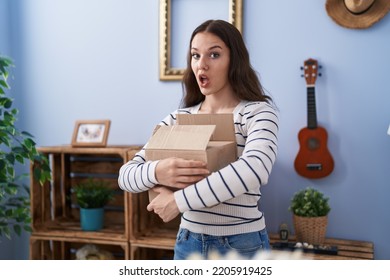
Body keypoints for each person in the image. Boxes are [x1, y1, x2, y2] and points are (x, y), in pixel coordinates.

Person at [118, 19, 279, 260]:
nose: (201, 65)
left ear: (234, 60)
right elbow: (125, 175)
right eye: (195, 55)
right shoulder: (178, 118)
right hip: (188, 243)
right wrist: (159, 171)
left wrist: (178, 201)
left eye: (214, 55)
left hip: (242, 246)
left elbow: (255, 169)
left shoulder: (257, 112)